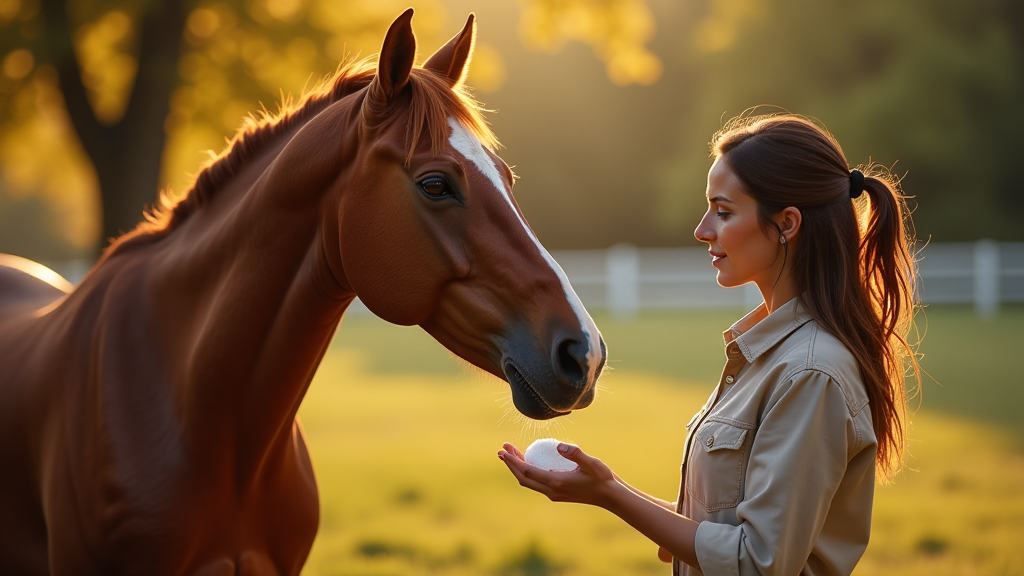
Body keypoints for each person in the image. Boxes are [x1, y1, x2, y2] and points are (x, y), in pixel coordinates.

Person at [497, 113, 919, 576]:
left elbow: (757, 561)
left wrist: (611, 495)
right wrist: (606, 487)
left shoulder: (810, 373)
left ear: (787, 223)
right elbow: (717, 527)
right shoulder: (770, 354)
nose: (702, 229)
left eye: (723, 211)